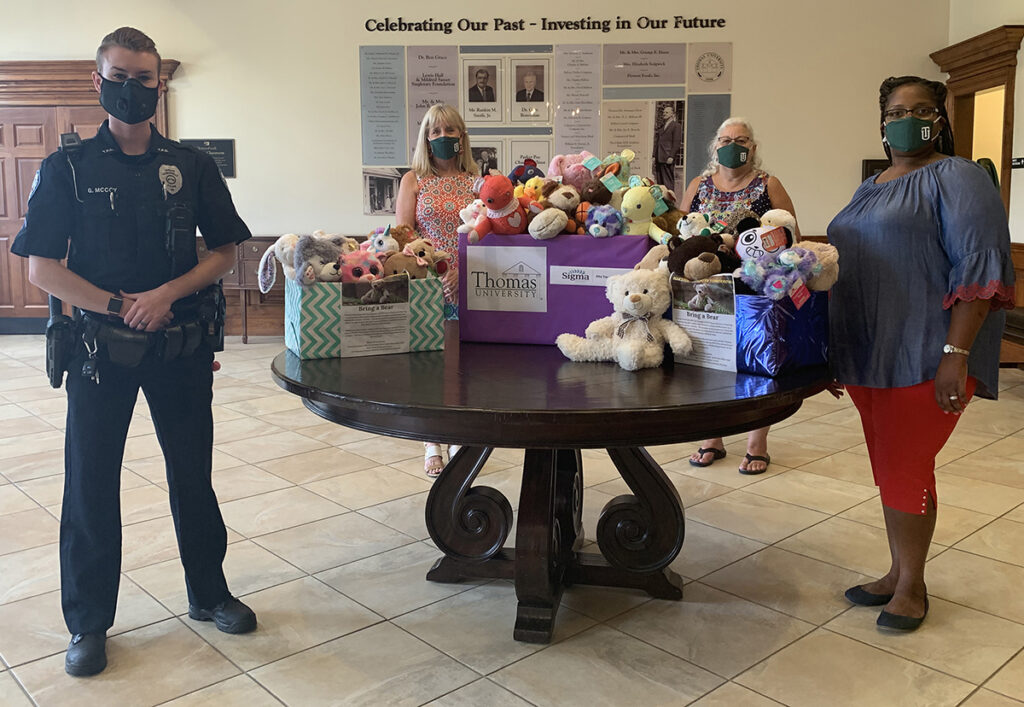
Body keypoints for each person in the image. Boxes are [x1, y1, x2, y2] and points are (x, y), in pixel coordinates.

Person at [10, 27, 257, 677]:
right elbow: (41, 267)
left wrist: (166, 293)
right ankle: (88, 622)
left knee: (191, 475)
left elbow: (227, 250)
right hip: (99, 351)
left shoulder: (193, 165)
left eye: (144, 78)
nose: (132, 88)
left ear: (159, 83)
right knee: (91, 485)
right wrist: (121, 304)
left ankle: (210, 592)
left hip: (178, 348)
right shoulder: (65, 168)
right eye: (119, 76)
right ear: (97, 81)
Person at [828, 76, 1013, 630]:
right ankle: (896, 572)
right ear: (882, 123)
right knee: (890, 467)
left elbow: (980, 267)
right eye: (896, 111)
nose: (907, 119)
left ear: (941, 119)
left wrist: (956, 352)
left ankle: (912, 587)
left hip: (925, 352)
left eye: (922, 109)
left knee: (906, 466)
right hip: (869, 354)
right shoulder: (872, 185)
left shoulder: (958, 177)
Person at [680, 117, 800, 474]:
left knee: (755, 362)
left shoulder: (769, 184)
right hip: (706, 287)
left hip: (754, 287)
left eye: (742, 139)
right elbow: (681, 229)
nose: (734, 145)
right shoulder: (699, 184)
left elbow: (790, 232)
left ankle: (756, 441)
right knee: (707, 361)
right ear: (715, 146)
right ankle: (711, 436)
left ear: (754, 148)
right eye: (726, 139)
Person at [396, 104, 477, 476]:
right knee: (431, 365)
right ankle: (432, 441)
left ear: (462, 136)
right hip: (429, 284)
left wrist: (462, 271)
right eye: (435, 131)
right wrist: (438, 266)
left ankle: (460, 433)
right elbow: (404, 236)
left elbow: (489, 233)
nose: (444, 137)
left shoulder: (477, 178)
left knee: (464, 366)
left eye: (451, 130)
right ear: (426, 139)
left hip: (472, 284)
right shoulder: (413, 179)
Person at [654, 104, 682, 192]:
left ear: (672, 114)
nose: (664, 114)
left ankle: (670, 200)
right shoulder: (662, 127)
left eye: (667, 112)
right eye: (663, 112)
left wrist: (671, 156)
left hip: (667, 157)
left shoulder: (676, 126)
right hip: (659, 157)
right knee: (660, 183)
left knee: (668, 182)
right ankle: (662, 202)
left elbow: (676, 143)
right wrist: (654, 155)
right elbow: (657, 142)